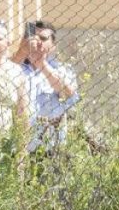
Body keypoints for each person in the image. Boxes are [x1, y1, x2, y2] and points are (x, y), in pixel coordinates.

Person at [11, 20, 79, 153]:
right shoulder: (14, 65)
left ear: (53, 46)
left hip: (50, 149)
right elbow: (3, 75)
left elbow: (68, 95)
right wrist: (22, 52)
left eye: (43, 38)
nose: (37, 42)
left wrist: (41, 64)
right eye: (32, 37)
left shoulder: (62, 70)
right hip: (16, 148)